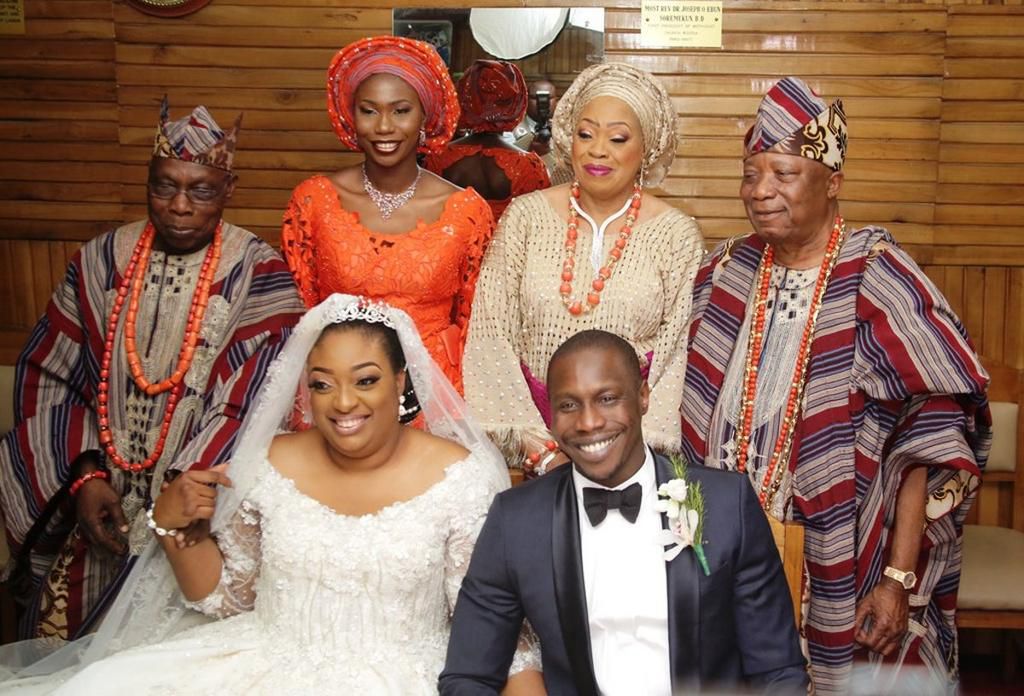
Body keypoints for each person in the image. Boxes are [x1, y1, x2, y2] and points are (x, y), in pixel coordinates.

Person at [0, 295, 541, 694]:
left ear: (402, 381)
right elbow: (225, 599)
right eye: (323, 383)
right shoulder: (270, 461)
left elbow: (497, 630)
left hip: (407, 677)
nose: (342, 402)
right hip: (261, 666)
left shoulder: (460, 478)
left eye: (366, 380)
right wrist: (170, 526)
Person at [679, 77, 991, 693]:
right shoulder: (722, 272)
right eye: (750, 174)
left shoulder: (881, 275)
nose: (760, 192)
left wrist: (898, 578)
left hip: (849, 560)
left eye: (783, 173)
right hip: (722, 550)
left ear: (833, 182)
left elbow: (927, 441)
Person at [0, 99, 304, 642]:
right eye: (164, 186)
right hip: (97, 496)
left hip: (197, 506)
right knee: (65, 649)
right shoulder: (100, 260)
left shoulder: (260, 273)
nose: (180, 206)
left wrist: (180, 490)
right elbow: (49, 374)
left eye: (201, 189)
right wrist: (87, 477)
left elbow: (257, 399)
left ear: (227, 189)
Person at [441, 329, 808, 694]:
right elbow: (468, 677)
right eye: (568, 405)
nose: (589, 422)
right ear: (550, 416)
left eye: (607, 398)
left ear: (643, 397)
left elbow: (778, 673)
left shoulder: (726, 504)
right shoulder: (516, 520)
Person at [464, 62, 704, 471]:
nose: (598, 150)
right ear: (568, 137)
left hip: (631, 454)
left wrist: (631, 454)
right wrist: (539, 450)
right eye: (586, 134)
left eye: (618, 138)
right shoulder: (526, 217)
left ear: (646, 147)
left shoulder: (676, 235)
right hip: (530, 457)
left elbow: (675, 354)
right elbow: (490, 330)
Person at [282, 36, 495, 394]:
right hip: (339, 395)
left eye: (401, 111)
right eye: (369, 110)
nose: (384, 127)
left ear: (426, 116)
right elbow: (299, 315)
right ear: (351, 117)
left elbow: (474, 323)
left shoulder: (467, 213)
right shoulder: (313, 202)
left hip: (434, 396)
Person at [425, 60, 550, 220]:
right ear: (516, 104)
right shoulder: (529, 167)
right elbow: (538, 221)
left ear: (463, 99)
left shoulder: (437, 158)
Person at [511, 78, 571, 186]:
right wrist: (530, 152)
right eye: (535, 98)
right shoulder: (511, 130)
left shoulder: (566, 131)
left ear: (557, 101)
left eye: (548, 97)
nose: (542, 102)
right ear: (526, 100)